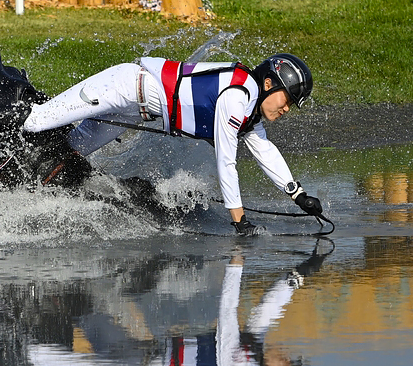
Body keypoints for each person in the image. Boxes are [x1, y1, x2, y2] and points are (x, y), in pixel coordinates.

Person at [20, 54, 324, 235]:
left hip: (133, 111)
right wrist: (239, 220)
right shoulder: (238, 96)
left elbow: (265, 151)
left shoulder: (251, 112)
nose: (286, 110)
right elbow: (226, 162)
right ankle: (7, 111)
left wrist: (298, 195)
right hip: (124, 86)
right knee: (35, 122)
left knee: (69, 151)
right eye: (287, 100)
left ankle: (16, 180)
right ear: (269, 83)